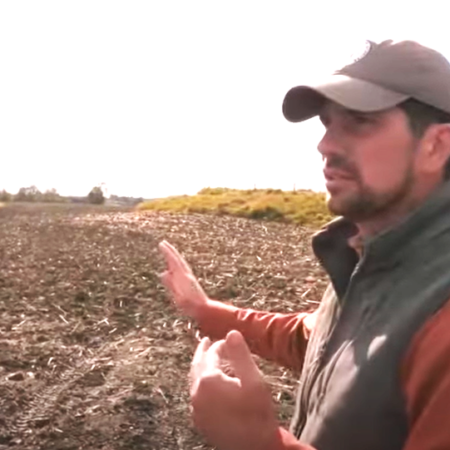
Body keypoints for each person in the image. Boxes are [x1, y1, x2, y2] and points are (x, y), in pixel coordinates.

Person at [159, 39, 450, 450]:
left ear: (436, 145)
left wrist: (259, 444)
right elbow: (313, 340)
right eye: (327, 123)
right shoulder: (372, 257)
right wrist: (205, 311)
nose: (325, 145)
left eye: (359, 122)